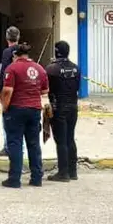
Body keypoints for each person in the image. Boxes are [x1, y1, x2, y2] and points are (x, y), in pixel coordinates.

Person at [0, 42, 48, 188]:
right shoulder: (40, 68)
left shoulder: (12, 68)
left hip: (16, 109)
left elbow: (7, 91)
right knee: (33, 144)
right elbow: (45, 91)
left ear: (15, 55)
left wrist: (4, 107)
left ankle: (14, 179)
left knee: (15, 143)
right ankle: (36, 178)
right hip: (34, 110)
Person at [46, 41, 80, 182]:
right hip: (73, 106)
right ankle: (73, 172)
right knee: (70, 138)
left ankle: (63, 173)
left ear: (56, 51)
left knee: (61, 140)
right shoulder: (76, 68)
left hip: (59, 107)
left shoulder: (51, 69)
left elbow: (47, 88)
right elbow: (77, 87)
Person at [0, 26, 20, 157]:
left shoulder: (7, 52)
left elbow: (3, 72)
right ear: (18, 37)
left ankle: (8, 146)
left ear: (6, 37)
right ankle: (17, 146)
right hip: (20, 90)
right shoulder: (23, 51)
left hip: (8, 89)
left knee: (7, 117)